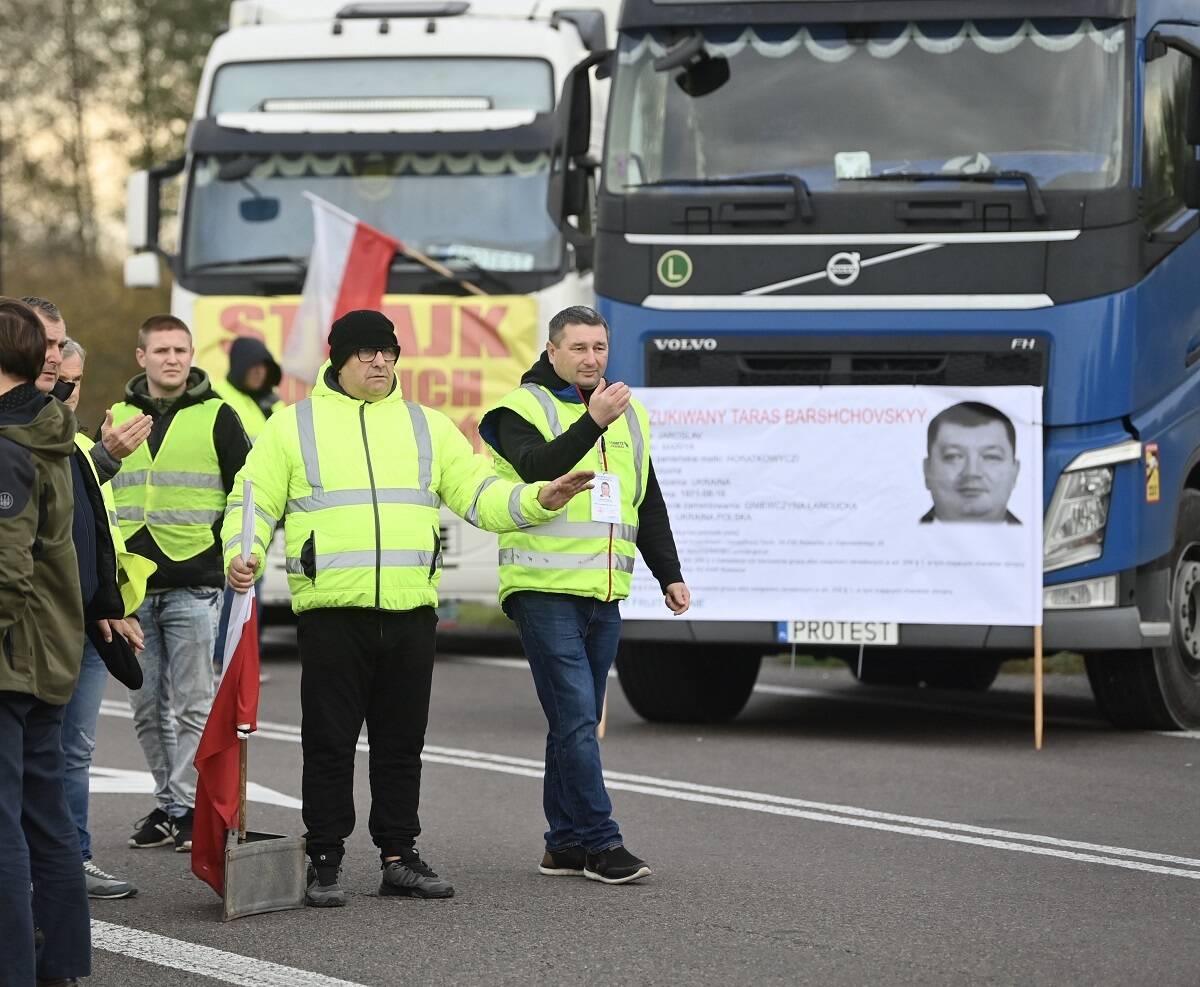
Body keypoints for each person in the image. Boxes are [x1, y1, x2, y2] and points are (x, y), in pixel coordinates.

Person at [222, 309, 594, 909]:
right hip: (331, 611)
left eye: (388, 352)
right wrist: (242, 554)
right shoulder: (293, 427)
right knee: (329, 742)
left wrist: (537, 499)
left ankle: (399, 855)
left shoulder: (428, 427)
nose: (380, 362)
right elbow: (252, 500)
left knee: (401, 743)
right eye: (367, 352)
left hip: (410, 611)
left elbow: (480, 494)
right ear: (339, 358)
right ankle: (324, 857)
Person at [478, 305, 690, 886]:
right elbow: (534, 466)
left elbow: (647, 499)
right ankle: (601, 841)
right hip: (542, 588)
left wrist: (668, 572)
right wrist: (591, 423)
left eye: (599, 347)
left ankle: (563, 844)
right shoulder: (517, 410)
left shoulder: (628, 413)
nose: (591, 358)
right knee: (575, 718)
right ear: (551, 352)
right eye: (577, 348)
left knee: (572, 724)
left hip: (604, 590)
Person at [111, 315, 250, 854]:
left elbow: (246, 492)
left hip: (194, 579)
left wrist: (229, 550)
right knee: (146, 707)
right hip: (132, 586)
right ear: (140, 356)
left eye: (181, 349)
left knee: (193, 704)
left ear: (192, 355)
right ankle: (173, 804)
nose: (172, 358)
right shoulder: (117, 416)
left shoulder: (218, 415)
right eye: (162, 350)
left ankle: (185, 806)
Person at [0, 297, 91, 986]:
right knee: (49, 820)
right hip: (48, 650)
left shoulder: (8, 443)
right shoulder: (49, 429)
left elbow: (6, 570)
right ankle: (60, 965)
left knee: (8, 828)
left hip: (12, 658)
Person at [56, 337, 154, 899]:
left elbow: (97, 535)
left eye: (76, 380)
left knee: (76, 749)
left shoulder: (78, 440)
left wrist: (113, 607)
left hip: (96, 617)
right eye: (59, 379)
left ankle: (76, 858)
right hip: (53, 620)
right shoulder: (35, 439)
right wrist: (106, 457)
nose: (70, 393)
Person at [920, 401, 1021, 524]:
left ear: (1015, 472)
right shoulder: (897, 537)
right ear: (927, 470)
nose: (972, 472)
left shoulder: (1038, 536)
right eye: (953, 456)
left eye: (991, 457)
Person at [211, 335, 284, 442]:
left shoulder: (272, 399)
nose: (260, 372)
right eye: (254, 365)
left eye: (264, 365)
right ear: (239, 366)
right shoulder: (216, 398)